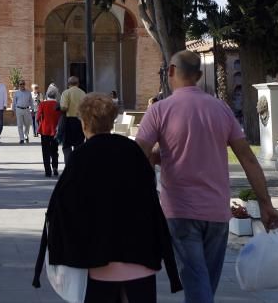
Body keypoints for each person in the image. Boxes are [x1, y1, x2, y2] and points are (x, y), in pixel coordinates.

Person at [136, 50, 278, 302]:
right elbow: (248, 158)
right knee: (204, 283)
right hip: (216, 211)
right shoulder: (221, 109)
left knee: (196, 281)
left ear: (170, 71)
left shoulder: (159, 110)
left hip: (179, 210)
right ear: (200, 75)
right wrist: (265, 204)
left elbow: (138, 157)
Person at [34, 93, 182, 303]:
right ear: (112, 122)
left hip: (98, 260)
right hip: (140, 255)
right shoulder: (133, 152)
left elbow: (63, 207)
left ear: (84, 123)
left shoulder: (81, 157)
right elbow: (149, 196)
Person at [60, 76, 87, 165]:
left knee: (66, 146)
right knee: (79, 146)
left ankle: (69, 166)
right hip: (80, 121)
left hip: (68, 121)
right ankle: (77, 166)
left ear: (68, 84)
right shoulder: (83, 93)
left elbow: (64, 107)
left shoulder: (66, 93)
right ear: (78, 83)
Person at [36, 85, 61, 178]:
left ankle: (48, 171)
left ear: (47, 94)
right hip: (55, 130)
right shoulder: (58, 104)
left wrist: (40, 123)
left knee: (45, 150)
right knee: (55, 150)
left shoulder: (43, 104)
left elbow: (38, 117)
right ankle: (55, 166)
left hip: (45, 130)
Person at [12, 79, 35, 144]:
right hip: (18, 109)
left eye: (23, 84)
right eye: (20, 84)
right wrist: (13, 110)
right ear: (19, 85)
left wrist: (32, 109)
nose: (22, 85)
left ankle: (26, 135)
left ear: (24, 84)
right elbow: (14, 102)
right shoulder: (16, 93)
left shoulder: (28, 92)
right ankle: (21, 138)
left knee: (27, 124)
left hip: (27, 109)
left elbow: (31, 101)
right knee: (20, 125)